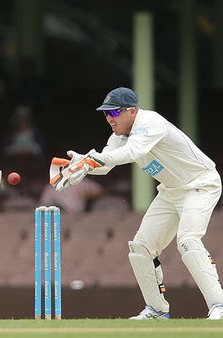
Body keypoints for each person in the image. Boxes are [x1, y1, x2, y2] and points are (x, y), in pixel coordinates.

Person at [50, 87, 223, 320]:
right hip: (172, 191)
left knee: (188, 240)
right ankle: (156, 310)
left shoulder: (150, 123)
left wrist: (92, 160)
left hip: (200, 184)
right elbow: (106, 163)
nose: (109, 119)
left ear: (132, 111)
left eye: (114, 113)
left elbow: (132, 152)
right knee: (141, 247)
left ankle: (219, 306)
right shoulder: (118, 137)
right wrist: (80, 165)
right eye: (105, 114)